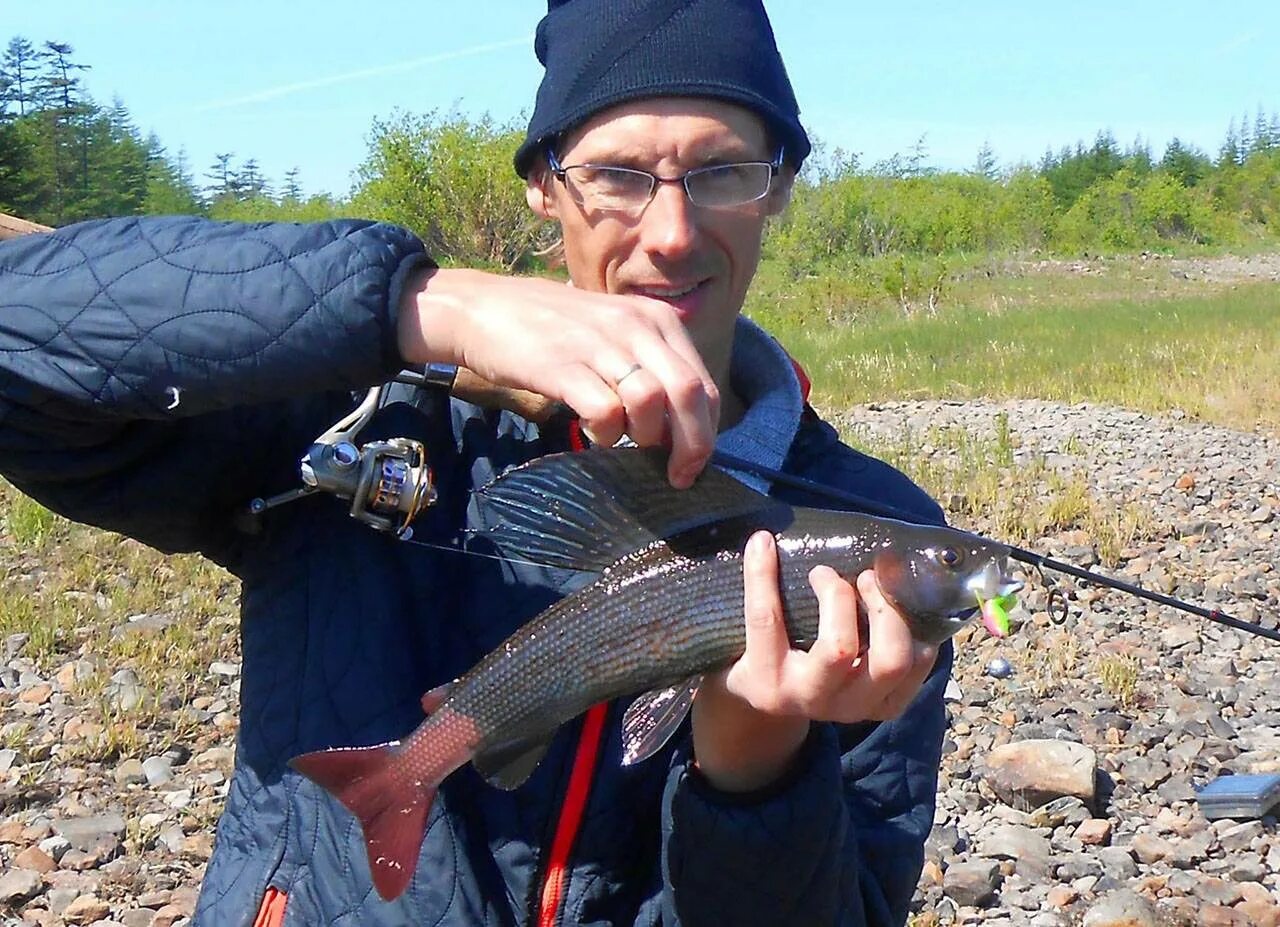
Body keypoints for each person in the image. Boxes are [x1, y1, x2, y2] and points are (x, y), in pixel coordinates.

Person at [0, 1, 952, 924]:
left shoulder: (877, 539)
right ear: (543, 183)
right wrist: (422, 309)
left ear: (779, 184)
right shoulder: (366, 411)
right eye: (617, 174)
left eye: (724, 171)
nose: (671, 232)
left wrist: (756, 767)